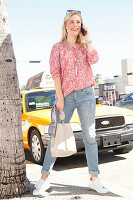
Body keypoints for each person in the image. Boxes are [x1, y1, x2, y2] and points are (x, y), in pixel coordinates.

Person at [33, 10, 109, 196]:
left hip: (87, 95)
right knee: (56, 136)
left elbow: (95, 59)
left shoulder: (85, 47)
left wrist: (88, 39)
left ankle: (94, 178)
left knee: (90, 137)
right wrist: (59, 97)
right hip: (66, 96)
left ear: (82, 26)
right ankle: (43, 180)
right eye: (72, 22)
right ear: (65, 25)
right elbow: (56, 73)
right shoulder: (57, 48)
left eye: (78, 22)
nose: (75, 25)